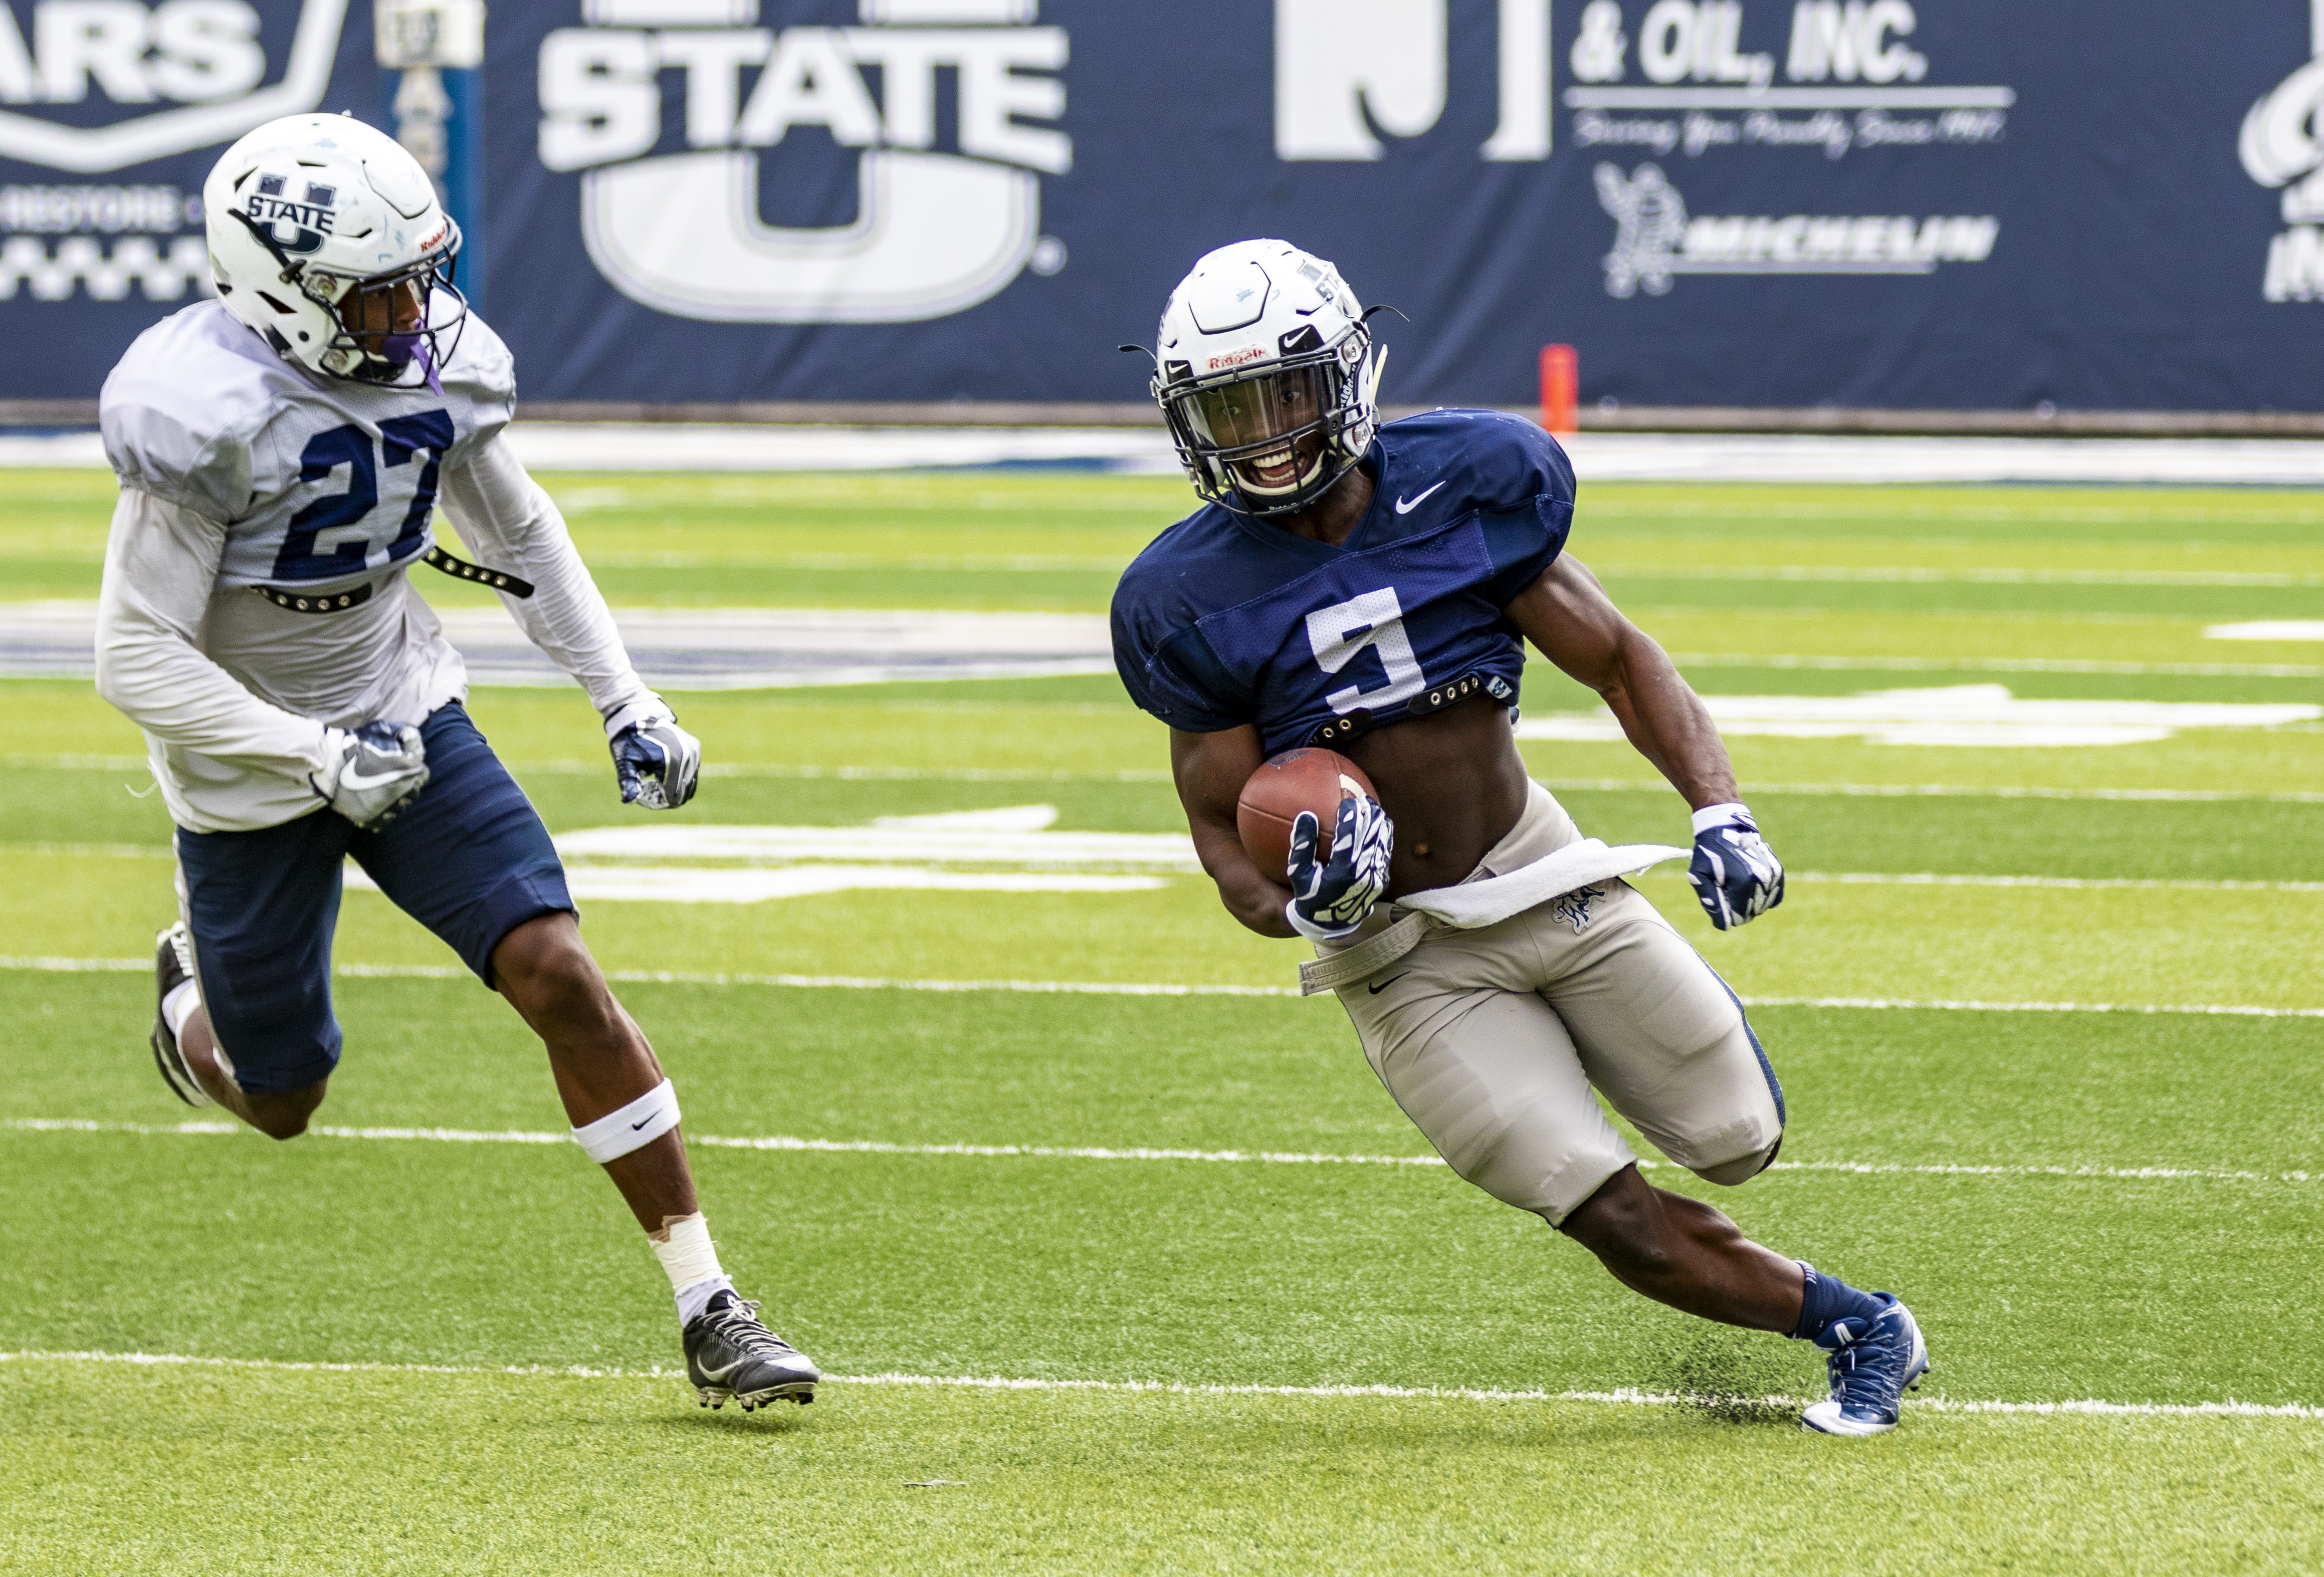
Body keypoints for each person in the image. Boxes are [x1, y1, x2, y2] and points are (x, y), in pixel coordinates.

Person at [1110, 240, 1927, 1436]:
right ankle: (1855, 1322)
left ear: (1345, 375)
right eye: (1227, 409)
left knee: (1738, 1137)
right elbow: (1222, 839)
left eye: (1282, 393)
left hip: (1540, 867)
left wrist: (1719, 806)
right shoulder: (1181, 596)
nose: (1263, 432)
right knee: (1600, 1206)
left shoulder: (1473, 476)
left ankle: (1795, 1254)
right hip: (1402, 954)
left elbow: (1618, 657)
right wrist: (1309, 907)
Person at [93, 112, 817, 1413]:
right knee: (283, 1098)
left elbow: (519, 527)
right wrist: (310, 754)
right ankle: (186, 1005)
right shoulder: (196, 410)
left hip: (400, 703)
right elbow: (133, 659)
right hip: (254, 770)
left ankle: (709, 1302)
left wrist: (621, 696)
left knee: (558, 969)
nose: (407, 309)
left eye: (418, 275)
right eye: (375, 288)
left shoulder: (439, 364)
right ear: (280, 290)